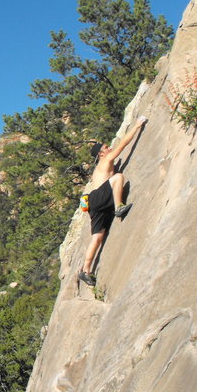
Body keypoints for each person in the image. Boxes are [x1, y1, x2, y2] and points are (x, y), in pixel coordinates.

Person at [78, 115, 148, 286]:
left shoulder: (99, 168)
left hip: (94, 202)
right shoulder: (105, 160)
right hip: (99, 197)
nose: (109, 148)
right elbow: (123, 145)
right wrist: (137, 126)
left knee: (98, 236)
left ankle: (85, 270)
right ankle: (119, 207)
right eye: (106, 147)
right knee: (118, 177)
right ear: (101, 154)